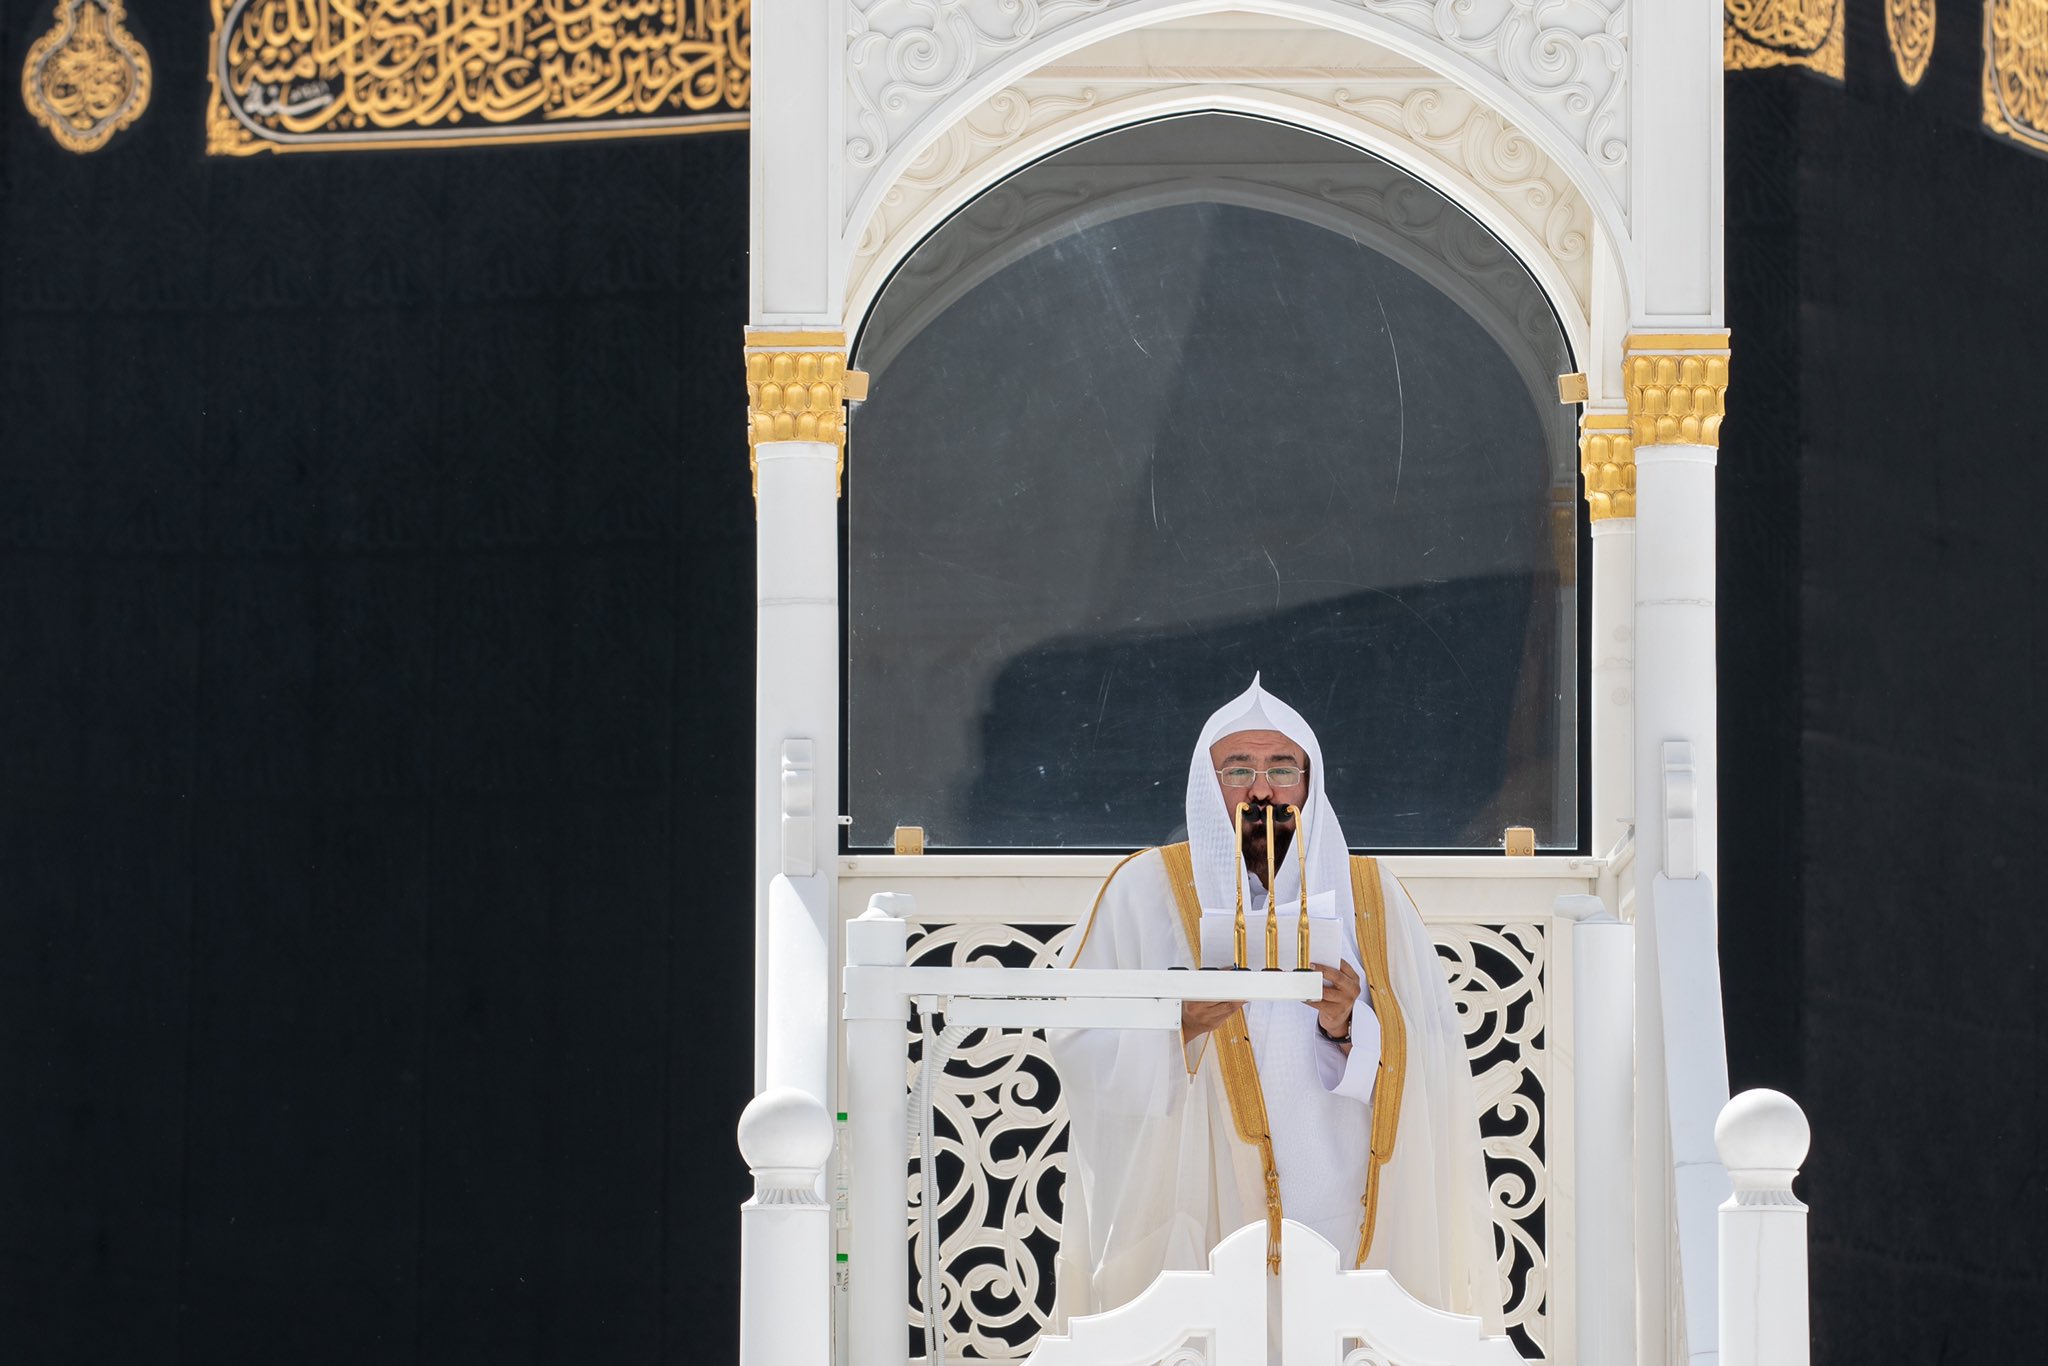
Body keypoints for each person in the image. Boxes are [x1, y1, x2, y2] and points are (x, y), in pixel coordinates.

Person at [1047, 675, 1501, 1330]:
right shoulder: (1144, 891)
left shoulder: (1372, 898)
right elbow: (1078, 1042)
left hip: (1341, 1199)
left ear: (1309, 785)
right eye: (1240, 769)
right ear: (1209, 786)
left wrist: (1350, 1025)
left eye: (1281, 769)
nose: (1262, 790)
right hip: (1201, 1199)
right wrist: (1178, 1027)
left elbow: (1431, 1059)